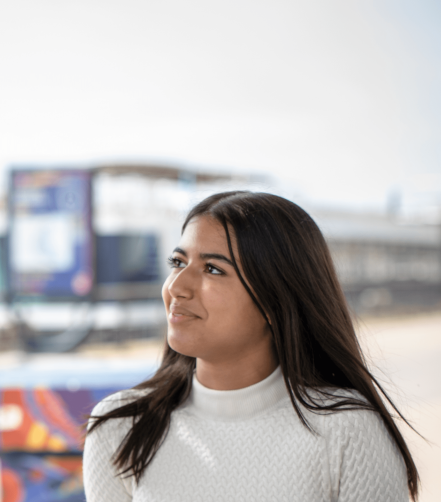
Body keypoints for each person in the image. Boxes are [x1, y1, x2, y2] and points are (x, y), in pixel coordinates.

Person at [83, 191, 419, 501]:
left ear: (275, 301)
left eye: (212, 269)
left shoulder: (348, 430)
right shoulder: (120, 427)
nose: (177, 287)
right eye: (177, 262)